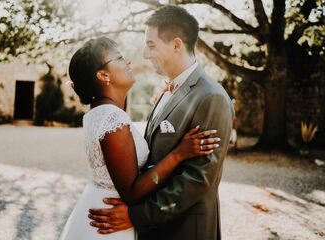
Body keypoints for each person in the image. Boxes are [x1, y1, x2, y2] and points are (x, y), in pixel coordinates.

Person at [88, 5, 234, 240]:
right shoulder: (168, 89)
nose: (145, 54)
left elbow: (198, 179)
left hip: (185, 229)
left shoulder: (211, 97)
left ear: (176, 44)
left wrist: (137, 216)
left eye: (151, 44)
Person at [59, 37, 220, 240]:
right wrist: (179, 154)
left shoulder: (98, 113)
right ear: (103, 75)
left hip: (99, 207)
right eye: (118, 58)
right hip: (109, 222)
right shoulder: (111, 117)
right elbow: (132, 192)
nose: (127, 62)